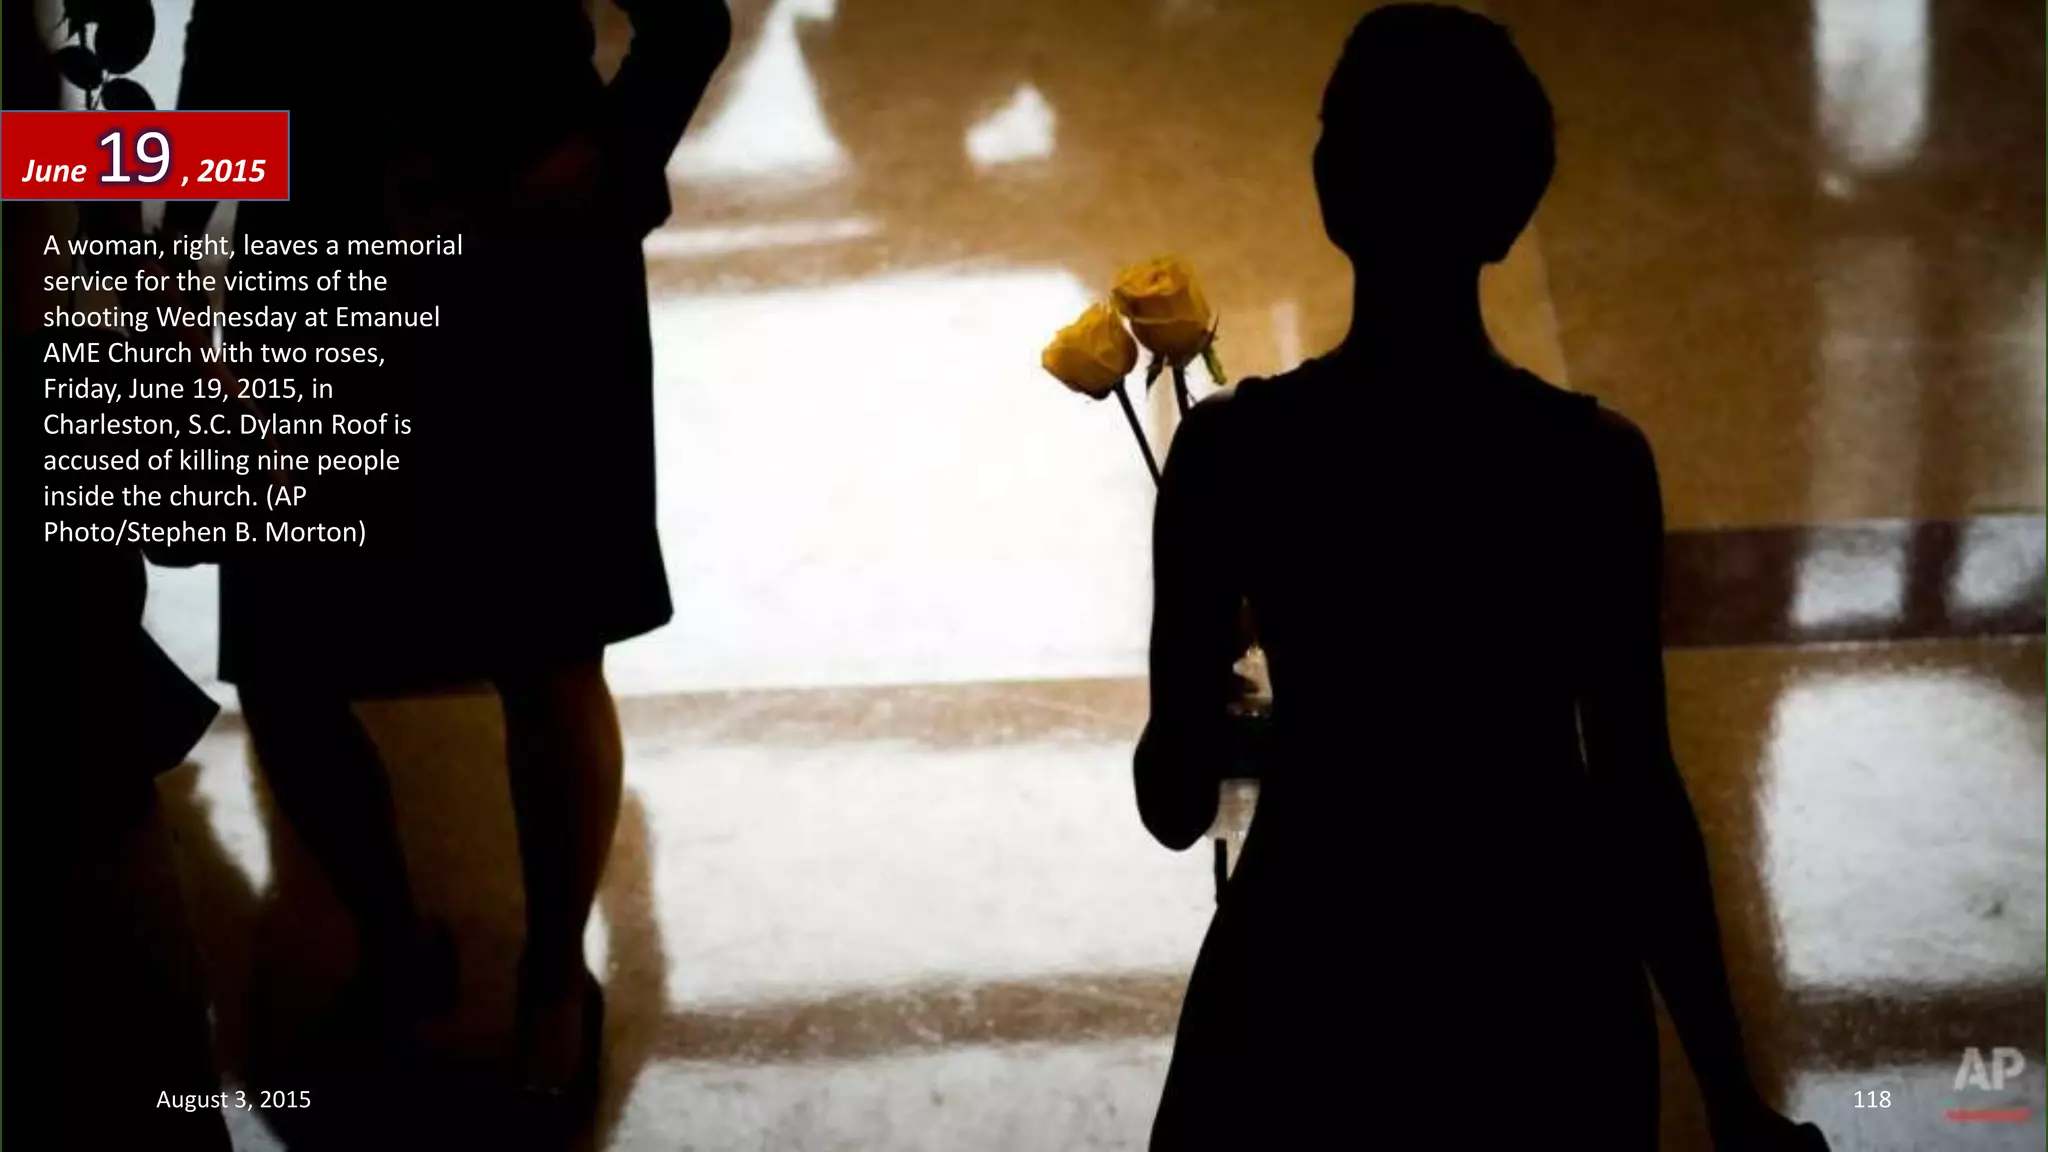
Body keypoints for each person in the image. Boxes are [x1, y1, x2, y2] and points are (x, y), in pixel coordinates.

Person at [1133, 7, 1829, 1149]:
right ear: (1509, 215)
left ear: (1328, 184)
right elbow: (1639, 800)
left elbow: (1172, 807)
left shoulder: (1228, 456)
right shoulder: (1592, 467)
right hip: (1540, 991)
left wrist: (1219, 688)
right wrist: (1727, 1096)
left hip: (1305, 978)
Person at [170, 0, 731, 1139]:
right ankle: (393, 941)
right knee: (286, 656)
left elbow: (689, 15)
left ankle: (549, 972)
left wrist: (607, 160)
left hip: (529, 257)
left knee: (548, 641)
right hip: (324, 251)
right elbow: (227, 44)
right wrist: (173, 251)